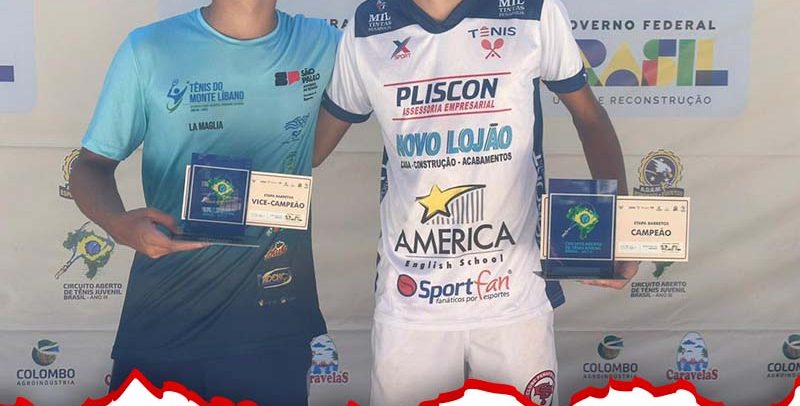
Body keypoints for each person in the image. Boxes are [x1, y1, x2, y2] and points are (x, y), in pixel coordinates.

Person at [313, 0, 639, 404]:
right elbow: (311, 150)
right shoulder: (368, 26)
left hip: (514, 296)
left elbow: (589, 117)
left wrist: (621, 226)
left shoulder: (533, 10)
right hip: (412, 302)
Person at [70, 0, 339, 403]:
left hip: (272, 326)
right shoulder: (149, 49)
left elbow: (314, 148)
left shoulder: (326, 43)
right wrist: (117, 223)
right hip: (166, 320)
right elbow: (90, 166)